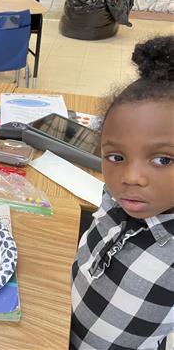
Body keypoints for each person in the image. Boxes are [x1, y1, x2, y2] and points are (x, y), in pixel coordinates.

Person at [71, 35, 173, 349]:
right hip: (58, 331)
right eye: (116, 157)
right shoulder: (114, 195)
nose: (130, 177)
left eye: (162, 159)